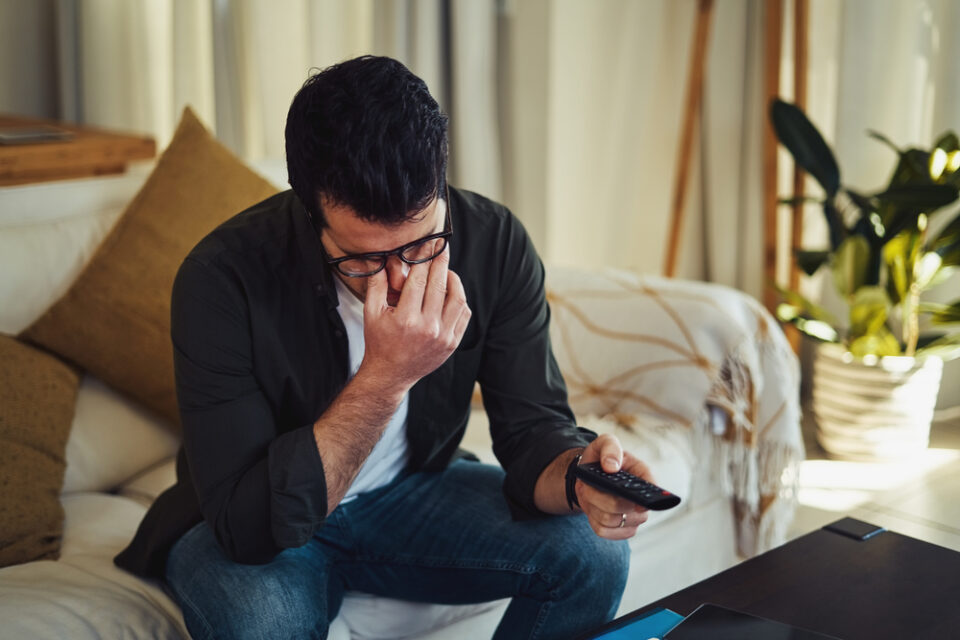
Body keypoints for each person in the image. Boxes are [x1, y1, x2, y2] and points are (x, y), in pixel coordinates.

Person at [115, 55, 657, 640]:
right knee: (261, 622)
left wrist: (581, 479)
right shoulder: (222, 279)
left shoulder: (495, 243)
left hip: (411, 495)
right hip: (265, 527)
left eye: (422, 244)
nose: (399, 278)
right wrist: (386, 377)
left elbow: (532, 434)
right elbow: (246, 529)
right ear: (309, 212)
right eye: (365, 259)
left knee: (593, 553)